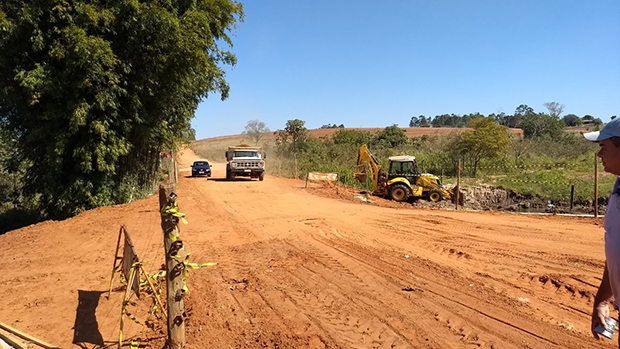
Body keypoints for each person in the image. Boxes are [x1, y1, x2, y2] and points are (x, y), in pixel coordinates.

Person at [584, 118, 620, 344]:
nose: (599, 155)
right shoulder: (618, 188)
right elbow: (616, 253)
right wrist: (602, 300)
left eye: (603, 147)